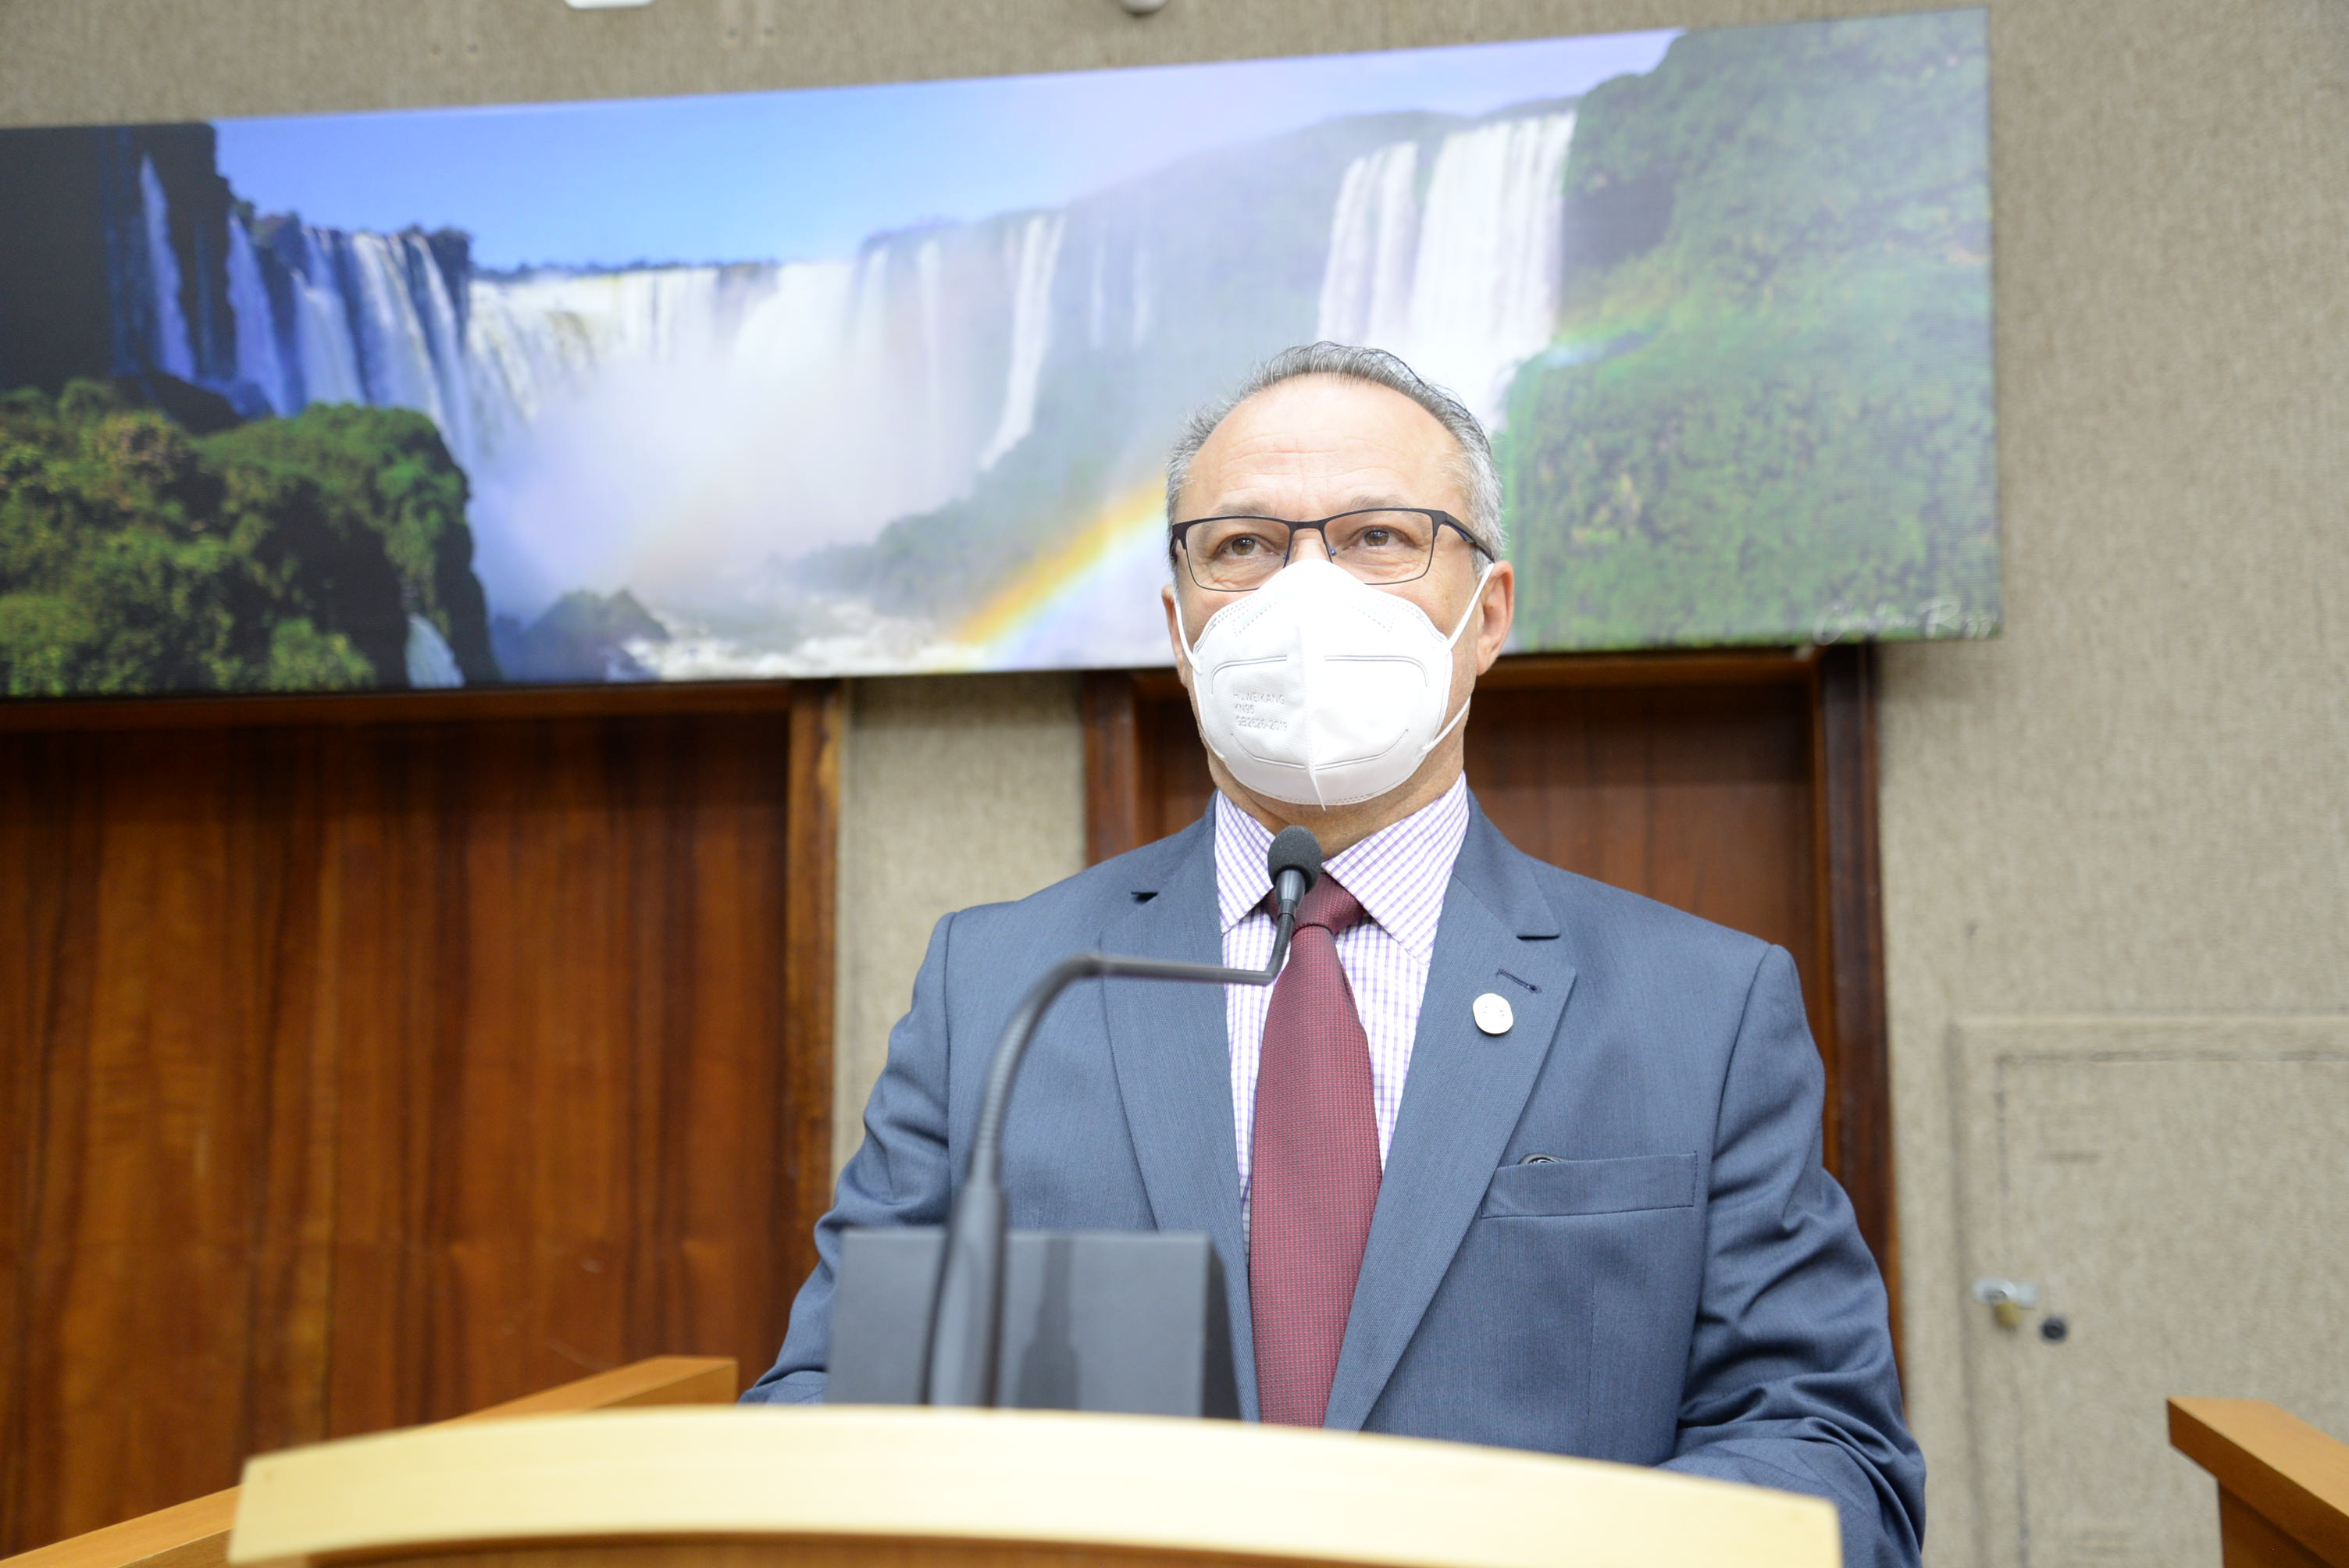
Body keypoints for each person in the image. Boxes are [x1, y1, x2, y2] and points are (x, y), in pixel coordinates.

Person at [743, 342, 1924, 1568]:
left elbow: (1825, 1454)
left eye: (1377, 537)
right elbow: (827, 1408)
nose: (1305, 592)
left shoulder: (1705, 1009)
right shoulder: (1000, 989)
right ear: (1180, 626)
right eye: (1242, 546)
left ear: (1490, 616)